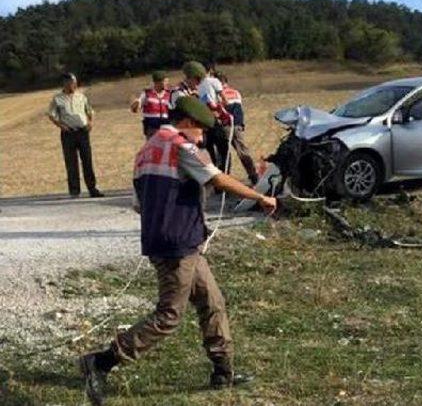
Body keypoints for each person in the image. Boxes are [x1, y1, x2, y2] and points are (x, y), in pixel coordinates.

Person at [78, 89, 278, 406]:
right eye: (200, 129)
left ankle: (223, 371)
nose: (201, 136)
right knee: (170, 315)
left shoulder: (146, 151)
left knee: (212, 301)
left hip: (179, 241)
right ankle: (101, 361)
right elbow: (218, 180)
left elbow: (138, 205)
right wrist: (259, 196)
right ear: (186, 122)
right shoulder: (180, 145)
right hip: (176, 244)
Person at [47, 73, 104, 198]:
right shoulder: (57, 98)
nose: (74, 85)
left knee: (87, 160)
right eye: (72, 83)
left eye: (75, 83)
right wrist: (61, 126)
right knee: (71, 162)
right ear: (65, 84)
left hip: (83, 132)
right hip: (68, 133)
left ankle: (92, 188)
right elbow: (51, 115)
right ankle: (74, 190)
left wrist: (90, 122)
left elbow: (89, 110)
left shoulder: (81, 97)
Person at [219, 74, 259, 185]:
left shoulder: (219, 94)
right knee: (243, 151)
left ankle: (223, 181)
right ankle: (253, 176)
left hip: (225, 125)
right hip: (238, 124)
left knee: (223, 154)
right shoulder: (236, 92)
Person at [198, 62, 231, 172]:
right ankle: (225, 173)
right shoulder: (214, 81)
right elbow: (225, 100)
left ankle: (212, 173)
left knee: (208, 149)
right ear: (211, 70)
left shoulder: (197, 84)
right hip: (214, 118)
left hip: (201, 121)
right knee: (224, 149)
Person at [130, 71, 171, 139]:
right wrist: (135, 104)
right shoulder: (147, 94)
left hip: (167, 129)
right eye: (165, 82)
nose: (167, 84)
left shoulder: (169, 94)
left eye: (167, 81)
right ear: (157, 82)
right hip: (152, 129)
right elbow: (135, 109)